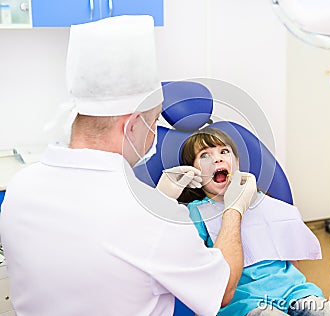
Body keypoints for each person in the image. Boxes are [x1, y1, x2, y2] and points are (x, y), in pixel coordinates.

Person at [0, 16, 258, 316]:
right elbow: (224, 289)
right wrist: (233, 210)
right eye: (153, 122)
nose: (154, 135)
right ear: (132, 124)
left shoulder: (21, 186)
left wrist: (161, 199)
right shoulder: (149, 215)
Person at [178, 127, 330, 316]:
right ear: (193, 172)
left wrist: (296, 285)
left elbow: (289, 254)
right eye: (205, 155)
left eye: (224, 152)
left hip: (293, 291)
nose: (217, 159)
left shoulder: (264, 201)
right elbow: (196, 268)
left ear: (236, 163)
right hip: (243, 300)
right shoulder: (196, 212)